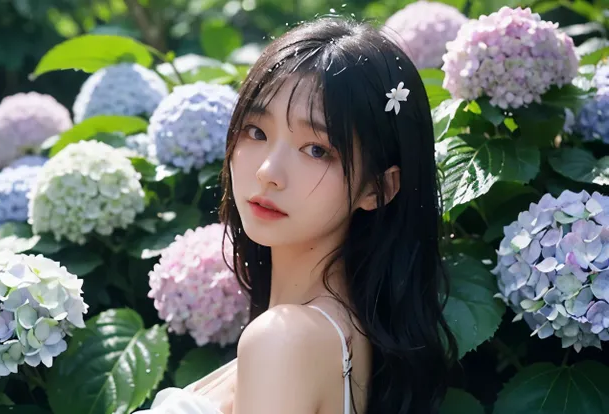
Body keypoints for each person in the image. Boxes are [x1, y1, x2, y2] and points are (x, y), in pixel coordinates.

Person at [135, 15, 458, 414]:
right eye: (256, 131)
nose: (268, 172)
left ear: (378, 188)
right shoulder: (339, 335)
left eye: (317, 150)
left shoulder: (284, 340)